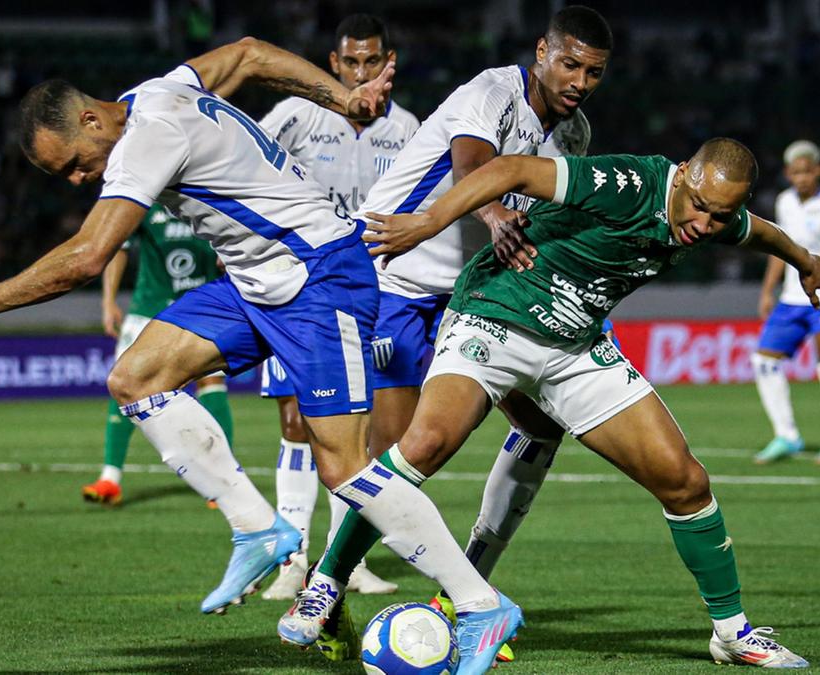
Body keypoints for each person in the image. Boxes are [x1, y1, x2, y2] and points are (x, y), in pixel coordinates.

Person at [0, 36, 520, 675]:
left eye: (72, 163)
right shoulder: (160, 90)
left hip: (320, 280)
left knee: (344, 469)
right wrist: (342, 96)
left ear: (92, 120)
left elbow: (88, 258)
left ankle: (480, 603)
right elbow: (252, 55)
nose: (76, 179)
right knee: (134, 376)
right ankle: (258, 528)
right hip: (254, 284)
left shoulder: (147, 136)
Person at [355, 138, 820, 668]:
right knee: (421, 448)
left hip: (576, 346)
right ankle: (327, 586)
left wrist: (806, 260)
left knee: (686, 482)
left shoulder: (715, 215)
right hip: (501, 312)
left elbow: (758, 232)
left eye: (719, 216)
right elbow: (512, 168)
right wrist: (428, 222)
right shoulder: (627, 184)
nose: (704, 225)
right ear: (683, 176)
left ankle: (731, 632)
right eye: (699, 206)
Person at [278, 6, 609, 665]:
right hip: (393, 275)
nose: (578, 80)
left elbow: (550, 215)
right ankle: (325, 584)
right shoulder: (492, 92)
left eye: (593, 71)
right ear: (541, 52)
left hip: (476, 295)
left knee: (540, 427)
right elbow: (472, 163)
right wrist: (492, 214)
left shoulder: (575, 132)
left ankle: (463, 596)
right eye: (568, 63)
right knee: (403, 449)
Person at [255, 13, 417, 600]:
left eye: (371, 61)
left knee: (356, 430)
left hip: (367, 291)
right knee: (298, 424)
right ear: (333, 64)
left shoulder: (408, 130)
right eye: (351, 62)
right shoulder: (298, 115)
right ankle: (290, 562)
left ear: (387, 62)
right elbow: (248, 166)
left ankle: (341, 560)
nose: (360, 71)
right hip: (294, 283)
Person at [83, 204, 230, 506]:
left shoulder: (205, 195)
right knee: (124, 383)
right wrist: (108, 301)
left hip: (200, 304)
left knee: (210, 382)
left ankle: (222, 479)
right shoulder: (146, 200)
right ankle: (110, 479)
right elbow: (118, 247)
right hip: (148, 308)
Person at [752, 140, 820, 465]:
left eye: (807, 172)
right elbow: (779, 250)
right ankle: (787, 436)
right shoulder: (784, 202)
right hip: (790, 300)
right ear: (787, 174)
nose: (801, 178)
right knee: (764, 361)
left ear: (819, 170)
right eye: (795, 172)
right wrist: (768, 290)